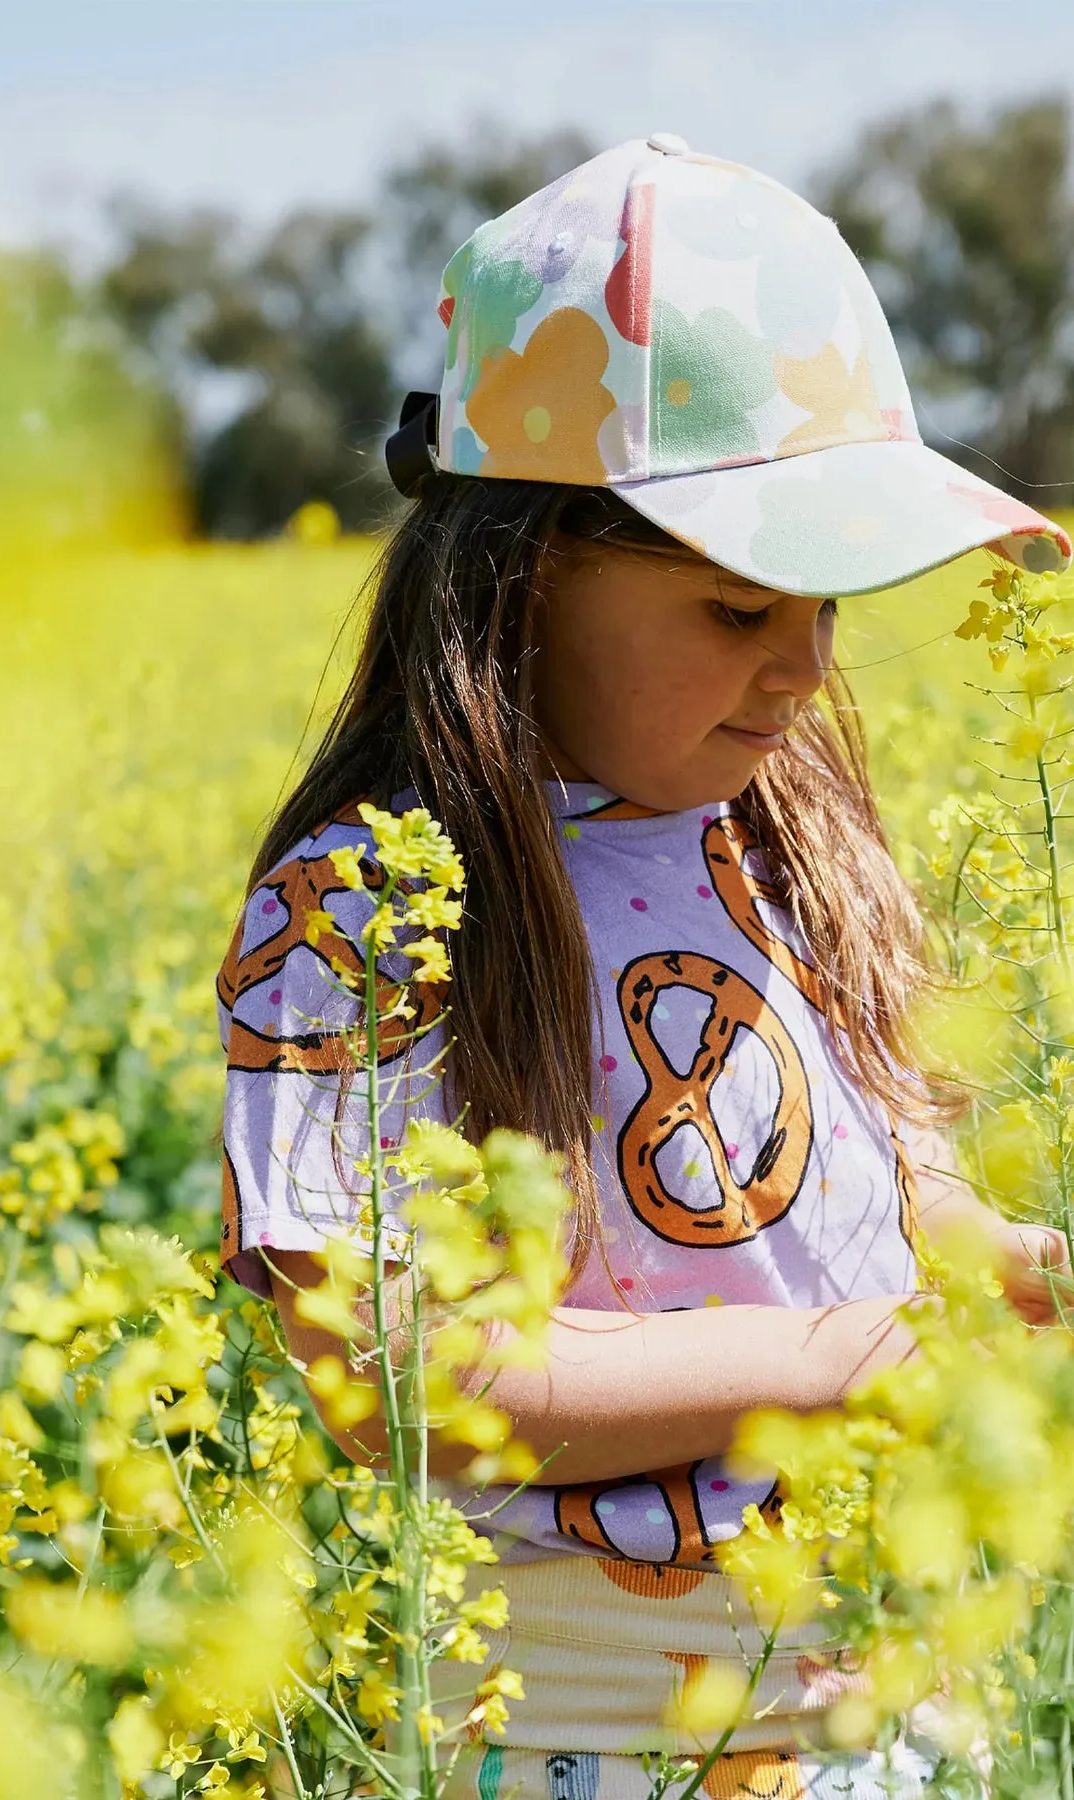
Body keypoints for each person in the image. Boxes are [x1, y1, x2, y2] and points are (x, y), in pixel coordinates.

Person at [215, 133, 1073, 1799]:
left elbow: (879, 1192)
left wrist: (982, 1266)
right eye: (737, 610)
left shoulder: (779, 836)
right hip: (600, 1738)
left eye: (825, 606)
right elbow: (405, 1377)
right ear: (522, 580)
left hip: (901, 1707)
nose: (803, 674)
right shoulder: (368, 911)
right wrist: (847, 1363)